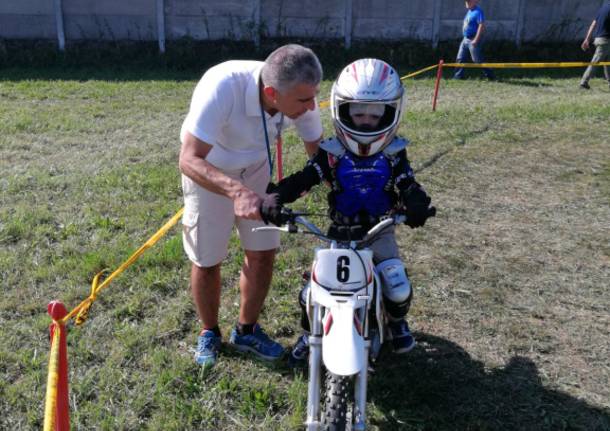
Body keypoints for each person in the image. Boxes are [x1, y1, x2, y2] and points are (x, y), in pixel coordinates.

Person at [261, 58, 434, 366]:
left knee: (397, 286)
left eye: (375, 113)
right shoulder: (332, 152)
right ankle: (308, 334)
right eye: (357, 112)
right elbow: (306, 177)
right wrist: (277, 196)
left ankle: (396, 324)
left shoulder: (393, 153)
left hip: (380, 231)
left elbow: (407, 181)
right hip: (339, 235)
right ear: (342, 110)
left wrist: (415, 201)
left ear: (391, 112)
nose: (366, 121)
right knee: (310, 294)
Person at [178, 44, 324, 368]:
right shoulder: (223, 86)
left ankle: (246, 330)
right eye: (304, 101)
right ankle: (210, 332)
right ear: (272, 93)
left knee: (262, 252)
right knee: (207, 258)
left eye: (314, 96)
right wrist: (236, 192)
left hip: (256, 168)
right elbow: (188, 158)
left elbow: (319, 154)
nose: (312, 106)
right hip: (209, 171)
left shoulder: (299, 93)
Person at [453, 0, 495, 80]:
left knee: (477, 60)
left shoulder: (478, 11)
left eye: (469, 1)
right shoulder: (469, 11)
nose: (466, 3)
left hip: (473, 39)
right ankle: (458, 76)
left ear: (475, 1)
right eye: (466, 2)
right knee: (460, 58)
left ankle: (490, 75)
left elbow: (481, 26)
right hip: (465, 39)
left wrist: (476, 39)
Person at [579, 0, 610, 89]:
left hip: (599, 39)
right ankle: (584, 82)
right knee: (595, 62)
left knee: (608, 62)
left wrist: (587, 39)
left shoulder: (602, 9)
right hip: (605, 41)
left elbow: (593, 25)